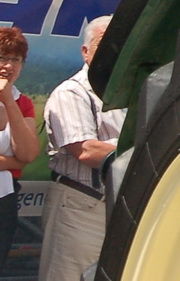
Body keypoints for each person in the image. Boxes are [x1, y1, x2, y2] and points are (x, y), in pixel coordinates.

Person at [39, 16, 123, 281]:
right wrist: (142, 150)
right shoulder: (72, 92)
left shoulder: (128, 92)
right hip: (81, 206)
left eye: (118, 45)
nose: (112, 51)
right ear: (85, 51)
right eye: (102, 44)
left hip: (121, 207)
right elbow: (86, 150)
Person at [0, 27, 39, 263]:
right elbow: (18, 161)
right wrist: (11, 162)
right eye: (2, 57)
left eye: (16, 59)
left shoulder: (22, 102)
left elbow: (27, 155)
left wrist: (8, 100)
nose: (8, 65)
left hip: (4, 197)